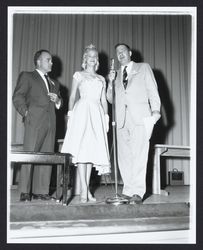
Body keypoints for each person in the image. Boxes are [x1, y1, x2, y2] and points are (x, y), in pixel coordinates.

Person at [107, 43, 161, 204]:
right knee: (124, 157)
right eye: (117, 52)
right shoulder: (115, 74)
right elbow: (111, 100)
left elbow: (153, 90)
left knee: (139, 155)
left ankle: (137, 191)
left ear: (130, 53)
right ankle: (128, 190)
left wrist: (156, 111)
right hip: (121, 120)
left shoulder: (143, 68)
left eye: (123, 51)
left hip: (139, 117)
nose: (120, 54)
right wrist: (110, 83)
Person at [61, 44, 110, 203]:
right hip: (82, 112)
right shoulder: (79, 75)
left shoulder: (101, 79)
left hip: (96, 114)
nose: (92, 58)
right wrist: (70, 115)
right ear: (85, 58)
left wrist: (106, 117)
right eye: (89, 56)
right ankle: (84, 191)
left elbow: (104, 100)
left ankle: (86, 188)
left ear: (97, 60)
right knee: (82, 151)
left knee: (91, 152)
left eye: (95, 56)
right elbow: (72, 97)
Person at [13, 49, 62, 202]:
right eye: (48, 59)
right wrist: (26, 113)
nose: (52, 62)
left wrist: (58, 100)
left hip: (50, 123)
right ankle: (25, 192)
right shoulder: (27, 76)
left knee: (46, 156)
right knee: (30, 155)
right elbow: (18, 96)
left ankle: (41, 190)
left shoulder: (55, 82)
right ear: (39, 61)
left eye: (52, 60)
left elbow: (60, 102)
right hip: (34, 121)